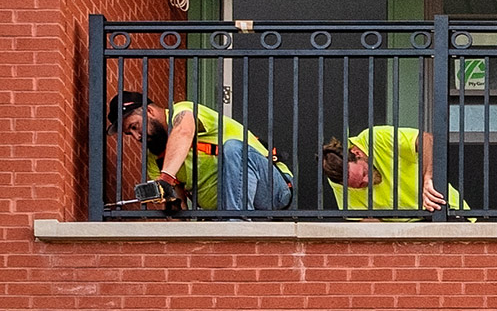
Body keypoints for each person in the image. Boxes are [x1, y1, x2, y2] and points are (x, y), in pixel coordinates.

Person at [106, 92, 294, 214]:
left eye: (134, 127)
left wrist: (165, 179)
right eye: (129, 133)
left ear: (149, 111)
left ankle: (237, 221)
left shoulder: (182, 110)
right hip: (220, 213)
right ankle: (233, 219)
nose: (136, 136)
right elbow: (176, 204)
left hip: (271, 191)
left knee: (233, 148)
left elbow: (184, 131)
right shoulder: (154, 158)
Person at [319, 126, 465, 217]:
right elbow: (364, 219)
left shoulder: (375, 138)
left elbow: (427, 140)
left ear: (357, 152)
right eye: (358, 186)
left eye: (364, 173)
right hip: (406, 233)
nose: (367, 182)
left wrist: (428, 178)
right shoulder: (338, 183)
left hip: (447, 210)